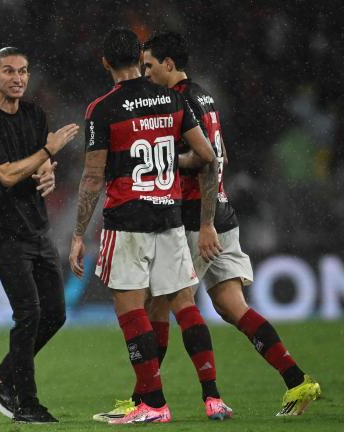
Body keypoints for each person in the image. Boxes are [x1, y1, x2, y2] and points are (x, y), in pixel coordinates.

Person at [139, 31, 319, 416]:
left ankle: (171, 398)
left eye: (150, 65)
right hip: (222, 211)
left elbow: (205, 160)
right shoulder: (205, 94)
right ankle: (298, 381)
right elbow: (222, 155)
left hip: (196, 218)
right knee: (232, 307)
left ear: (168, 64)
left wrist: (203, 222)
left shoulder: (179, 99)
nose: (146, 73)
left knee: (166, 301)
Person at [69, 27, 232, 424]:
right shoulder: (171, 99)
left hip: (128, 220)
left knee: (130, 307)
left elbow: (92, 177)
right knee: (183, 302)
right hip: (170, 215)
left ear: (106, 62)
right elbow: (207, 154)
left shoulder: (102, 109)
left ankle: (153, 403)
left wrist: (77, 234)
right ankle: (212, 397)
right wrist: (171, 166)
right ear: (139, 60)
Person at [0, 47, 79, 423]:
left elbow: (39, 163)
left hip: (37, 228)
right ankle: (26, 402)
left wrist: (47, 168)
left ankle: (0, 379)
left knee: (56, 314)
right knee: (28, 313)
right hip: (5, 232)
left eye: (24, 71)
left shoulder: (34, 114)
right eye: (9, 71)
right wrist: (47, 150)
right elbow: (6, 174)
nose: (18, 78)